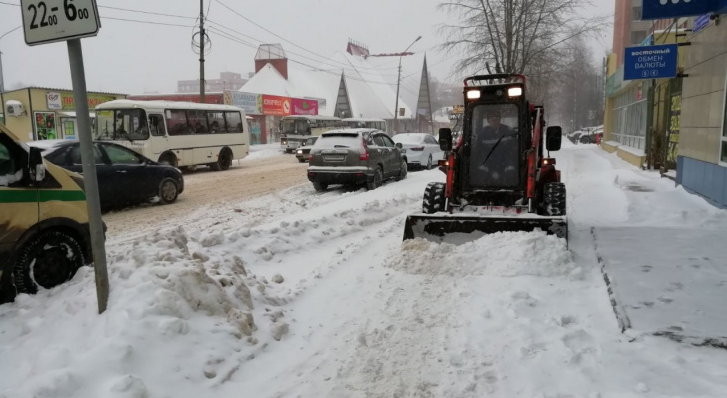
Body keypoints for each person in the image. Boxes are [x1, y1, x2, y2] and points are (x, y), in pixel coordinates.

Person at [470, 107, 519, 187]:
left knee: (510, 172)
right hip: (488, 159)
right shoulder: (483, 133)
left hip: (505, 158)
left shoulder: (508, 131)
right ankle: (481, 188)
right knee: (480, 173)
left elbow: (515, 147)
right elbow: (477, 149)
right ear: (488, 121)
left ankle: (511, 187)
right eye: (492, 119)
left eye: (496, 119)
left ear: (499, 120)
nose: (494, 121)